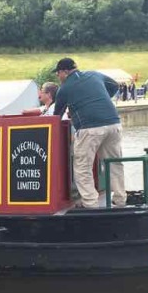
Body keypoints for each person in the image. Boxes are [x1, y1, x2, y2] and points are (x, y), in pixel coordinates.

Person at [52, 57, 126, 208]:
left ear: (64, 72)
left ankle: (90, 203)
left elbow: (56, 116)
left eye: (58, 73)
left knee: (82, 166)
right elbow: (114, 86)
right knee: (114, 163)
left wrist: (72, 111)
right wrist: (100, 99)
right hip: (114, 123)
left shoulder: (65, 88)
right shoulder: (94, 75)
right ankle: (120, 200)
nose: (58, 77)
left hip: (89, 128)